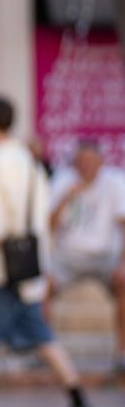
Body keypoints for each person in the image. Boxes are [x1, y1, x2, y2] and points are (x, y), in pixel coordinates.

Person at [0, 96, 94, 407]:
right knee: (40, 335)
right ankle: (79, 400)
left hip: (0, 268)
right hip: (28, 265)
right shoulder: (28, 158)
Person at [48, 141, 125, 378]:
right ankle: (48, 353)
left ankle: (121, 352)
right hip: (68, 256)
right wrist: (67, 197)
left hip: (104, 255)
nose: (86, 168)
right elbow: (49, 225)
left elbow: (123, 226)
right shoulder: (62, 181)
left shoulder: (115, 182)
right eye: (82, 163)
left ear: (101, 163)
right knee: (41, 288)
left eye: (91, 162)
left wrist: (122, 263)